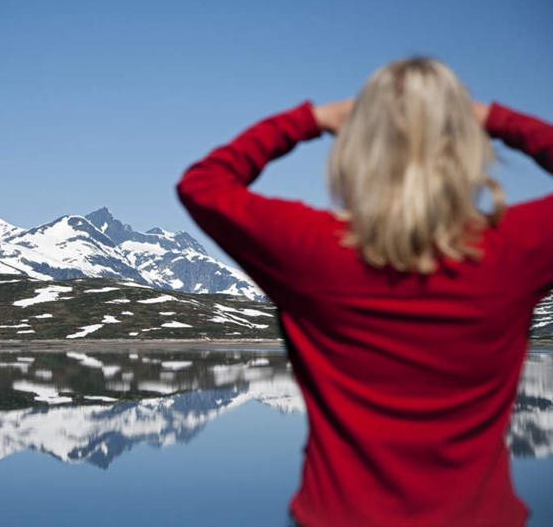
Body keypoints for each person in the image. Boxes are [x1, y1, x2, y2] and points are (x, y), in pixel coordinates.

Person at [175, 56, 552, 527]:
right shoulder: (511, 249)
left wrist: (310, 120)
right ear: (464, 146)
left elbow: (202, 185)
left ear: (357, 147)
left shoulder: (312, 249)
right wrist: (497, 119)